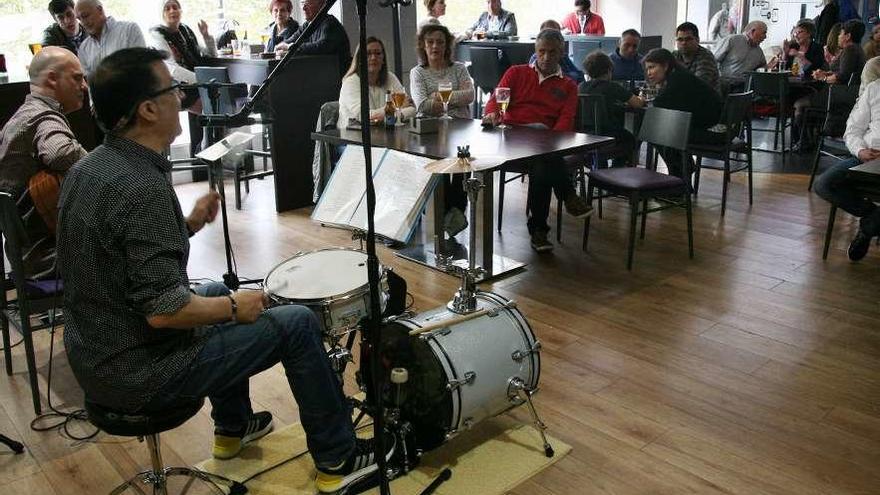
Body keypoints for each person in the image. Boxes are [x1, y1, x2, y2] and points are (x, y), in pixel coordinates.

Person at [56, 47, 393, 495]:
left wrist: (190, 224)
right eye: (173, 89)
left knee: (212, 285)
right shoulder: (138, 186)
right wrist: (235, 307)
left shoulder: (92, 168)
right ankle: (338, 457)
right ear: (148, 109)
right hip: (138, 371)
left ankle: (231, 430)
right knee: (295, 323)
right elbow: (164, 312)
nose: (183, 97)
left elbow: (120, 260)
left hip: (97, 352)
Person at [482, 29, 593, 252]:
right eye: (542, 51)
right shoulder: (516, 72)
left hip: (544, 141)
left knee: (542, 163)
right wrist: (493, 113)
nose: (546, 57)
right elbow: (495, 101)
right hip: (511, 136)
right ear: (535, 50)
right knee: (545, 159)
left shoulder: (569, 86)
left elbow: (566, 120)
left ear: (562, 52)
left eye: (552, 52)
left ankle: (539, 230)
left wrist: (549, 143)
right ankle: (568, 196)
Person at [0, 47, 87, 279]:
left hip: (25, 256)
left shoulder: (22, 115)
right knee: (139, 245)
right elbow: (59, 153)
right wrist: (101, 165)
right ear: (52, 79)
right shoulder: (43, 116)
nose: (84, 86)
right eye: (77, 78)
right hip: (50, 259)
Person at [410, 24, 475, 237]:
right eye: (430, 42)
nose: (435, 46)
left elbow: (470, 95)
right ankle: (450, 216)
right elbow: (422, 105)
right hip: (431, 133)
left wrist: (439, 98)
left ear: (447, 45)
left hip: (461, 130)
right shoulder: (418, 72)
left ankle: (452, 215)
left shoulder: (459, 68)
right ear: (423, 46)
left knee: (460, 163)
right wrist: (452, 99)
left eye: (440, 42)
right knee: (439, 166)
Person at [814, 76, 880, 261]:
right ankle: (872, 216)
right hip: (866, 158)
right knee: (824, 184)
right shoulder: (875, 89)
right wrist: (860, 151)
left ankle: (867, 231)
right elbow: (852, 130)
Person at [148, 0, 216, 157]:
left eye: (176, 7)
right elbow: (171, 69)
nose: (173, 10)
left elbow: (207, 55)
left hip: (197, 84)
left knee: (220, 100)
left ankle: (208, 149)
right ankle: (207, 151)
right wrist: (203, 80)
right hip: (176, 88)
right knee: (214, 104)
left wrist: (206, 36)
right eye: (168, 8)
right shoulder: (157, 34)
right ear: (162, 12)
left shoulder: (185, 30)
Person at [644, 48, 724, 179]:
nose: (649, 73)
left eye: (652, 67)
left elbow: (659, 104)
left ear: (665, 66)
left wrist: (646, 99)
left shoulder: (677, 80)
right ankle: (682, 173)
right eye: (647, 69)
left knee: (657, 132)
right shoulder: (680, 75)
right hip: (714, 127)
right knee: (665, 129)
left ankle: (678, 178)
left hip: (712, 132)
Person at [795, 19, 866, 149]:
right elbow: (842, 72)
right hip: (845, 95)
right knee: (805, 101)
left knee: (799, 104)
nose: (838, 36)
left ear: (848, 36)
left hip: (837, 97)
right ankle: (808, 140)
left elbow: (841, 77)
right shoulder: (857, 49)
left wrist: (822, 78)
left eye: (841, 33)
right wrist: (826, 73)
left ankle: (805, 143)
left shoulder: (850, 50)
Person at [580, 51, 645, 166]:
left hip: (584, 134)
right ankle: (618, 167)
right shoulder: (613, 87)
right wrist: (641, 98)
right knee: (630, 139)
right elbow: (638, 104)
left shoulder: (581, 87)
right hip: (607, 133)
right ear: (609, 70)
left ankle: (599, 165)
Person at [337, 37, 415, 128]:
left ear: (383, 59)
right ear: (360, 59)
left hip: (384, 133)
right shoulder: (350, 82)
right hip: (354, 137)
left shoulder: (390, 77)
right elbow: (364, 116)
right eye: (368, 54)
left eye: (378, 53)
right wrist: (396, 108)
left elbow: (412, 109)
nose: (373, 57)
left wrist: (396, 115)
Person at [274, 0, 351, 77]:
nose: (303, 8)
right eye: (302, 3)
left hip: (338, 79)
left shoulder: (330, 23)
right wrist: (280, 47)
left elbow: (321, 47)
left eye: (307, 3)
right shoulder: (307, 25)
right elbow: (291, 40)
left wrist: (290, 47)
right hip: (321, 77)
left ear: (322, 4)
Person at [75, 0, 145, 81]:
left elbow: (142, 67)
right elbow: (91, 85)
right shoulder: (83, 49)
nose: (83, 22)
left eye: (85, 16)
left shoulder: (129, 30)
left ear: (100, 10)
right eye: (79, 19)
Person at [673, 22, 720, 94]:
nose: (683, 43)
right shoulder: (675, 55)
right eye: (680, 39)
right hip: (683, 98)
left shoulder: (705, 57)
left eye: (688, 39)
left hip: (706, 100)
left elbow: (698, 85)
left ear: (697, 40)